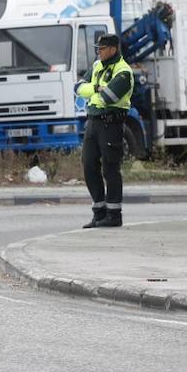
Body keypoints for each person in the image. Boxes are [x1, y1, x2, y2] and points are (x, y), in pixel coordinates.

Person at [75, 32, 134, 228]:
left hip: (111, 123)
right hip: (92, 122)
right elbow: (78, 87)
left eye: (101, 49)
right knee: (89, 165)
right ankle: (99, 213)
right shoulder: (97, 66)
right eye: (97, 49)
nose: (98, 52)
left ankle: (114, 214)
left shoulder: (123, 72)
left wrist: (95, 89)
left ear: (113, 49)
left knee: (110, 168)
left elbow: (109, 96)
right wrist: (97, 88)